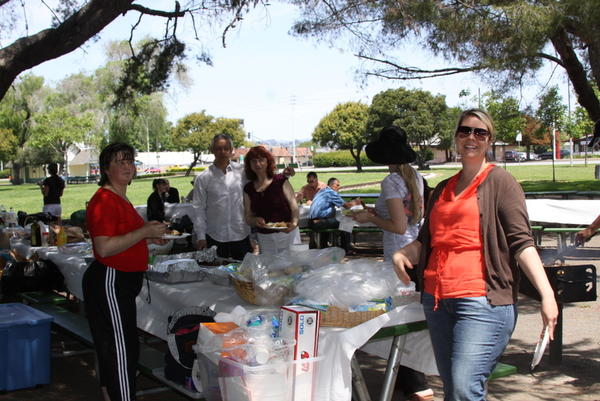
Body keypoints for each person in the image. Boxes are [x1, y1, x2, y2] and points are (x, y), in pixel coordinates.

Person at [392, 109, 558, 401]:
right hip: (437, 301)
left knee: (464, 388)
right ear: (455, 137)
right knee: (454, 388)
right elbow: (427, 241)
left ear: (489, 140)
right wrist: (402, 253)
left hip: (482, 302)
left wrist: (547, 295)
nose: (471, 137)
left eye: (480, 133)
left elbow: (522, 243)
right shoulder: (443, 188)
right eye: (465, 131)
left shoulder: (501, 183)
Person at [352, 126, 433, 401]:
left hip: (399, 257)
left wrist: (370, 219)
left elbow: (398, 226)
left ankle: (415, 383)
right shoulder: (416, 177)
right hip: (416, 254)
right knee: (412, 315)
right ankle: (405, 376)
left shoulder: (391, 181)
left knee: (400, 318)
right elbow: (409, 218)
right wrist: (375, 212)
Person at [82, 142, 168, 401]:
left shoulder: (119, 198)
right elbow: (104, 248)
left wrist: (147, 239)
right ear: (106, 168)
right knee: (122, 349)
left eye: (129, 161)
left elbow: (121, 238)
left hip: (120, 280)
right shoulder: (104, 200)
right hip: (111, 278)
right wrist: (144, 232)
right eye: (119, 161)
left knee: (113, 346)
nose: (126, 166)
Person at [193, 134, 254, 260]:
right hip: (215, 236)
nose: (222, 152)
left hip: (241, 234)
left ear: (232, 150)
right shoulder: (203, 178)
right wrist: (200, 236)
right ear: (212, 150)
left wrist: (284, 176)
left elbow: (263, 181)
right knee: (215, 276)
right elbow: (198, 209)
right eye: (218, 148)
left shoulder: (243, 173)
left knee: (244, 276)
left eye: (226, 148)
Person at [243, 146, 300, 254]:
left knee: (291, 268)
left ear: (268, 162)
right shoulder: (248, 189)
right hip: (265, 238)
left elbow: (294, 207)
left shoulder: (280, 181)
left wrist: (294, 223)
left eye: (261, 160)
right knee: (271, 269)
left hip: (287, 234)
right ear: (249, 165)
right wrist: (255, 221)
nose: (258, 164)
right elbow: (248, 217)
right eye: (254, 161)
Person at [308, 177, 362, 249]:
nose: (339, 187)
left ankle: (324, 248)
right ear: (332, 185)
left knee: (331, 221)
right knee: (345, 222)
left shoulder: (322, 191)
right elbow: (346, 206)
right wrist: (356, 202)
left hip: (312, 222)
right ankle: (346, 248)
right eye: (338, 185)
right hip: (318, 222)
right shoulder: (331, 192)